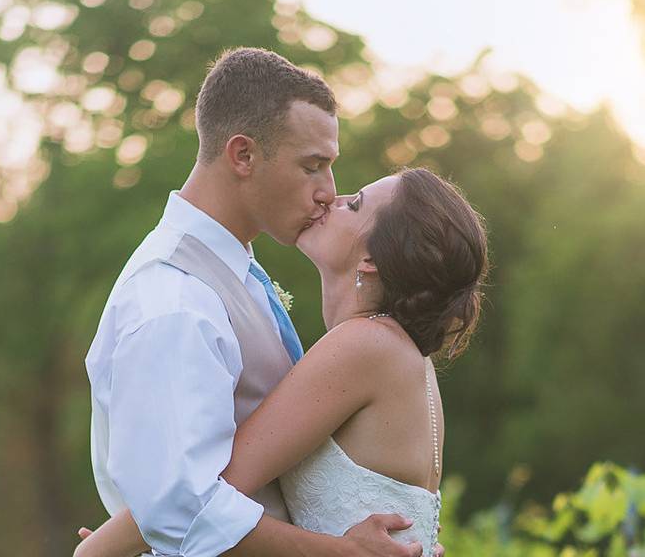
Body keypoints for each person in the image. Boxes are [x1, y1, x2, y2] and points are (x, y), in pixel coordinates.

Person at [81, 48, 442, 557]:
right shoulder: (176, 299)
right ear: (243, 155)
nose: (327, 193)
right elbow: (179, 511)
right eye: (312, 166)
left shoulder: (235, 275)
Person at [77, 166, 487, 557]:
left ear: (372, 260)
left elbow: (208, 487)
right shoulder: (400, 353)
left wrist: (100, 548)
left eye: (355, 205)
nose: (333, 198)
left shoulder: (367, 346)